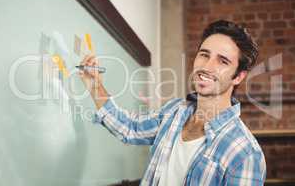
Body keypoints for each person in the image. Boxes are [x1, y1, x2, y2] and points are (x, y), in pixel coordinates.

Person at [79, 20, 266, 186]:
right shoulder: (175, 111)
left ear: (239, 77)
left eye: (223, 61)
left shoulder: (246, 154)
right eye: (204, 54)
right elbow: (130, 128)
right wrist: (95, 86)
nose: (207, 66)